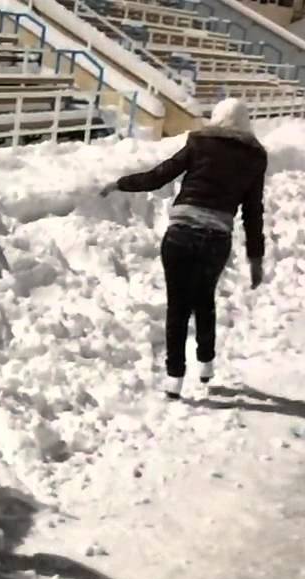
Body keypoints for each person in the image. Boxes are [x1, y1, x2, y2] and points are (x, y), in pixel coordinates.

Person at [100, 97, 267, 399]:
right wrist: (256, 258)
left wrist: (120, 183)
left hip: (180, 235)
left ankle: (174, 379)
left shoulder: (200, 143)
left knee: (177, 307)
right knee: (204, 301)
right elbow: (253, 212)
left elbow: (159, 175)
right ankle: (207, 363)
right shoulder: (255, 157)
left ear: (216, 118)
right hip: (216, 240)